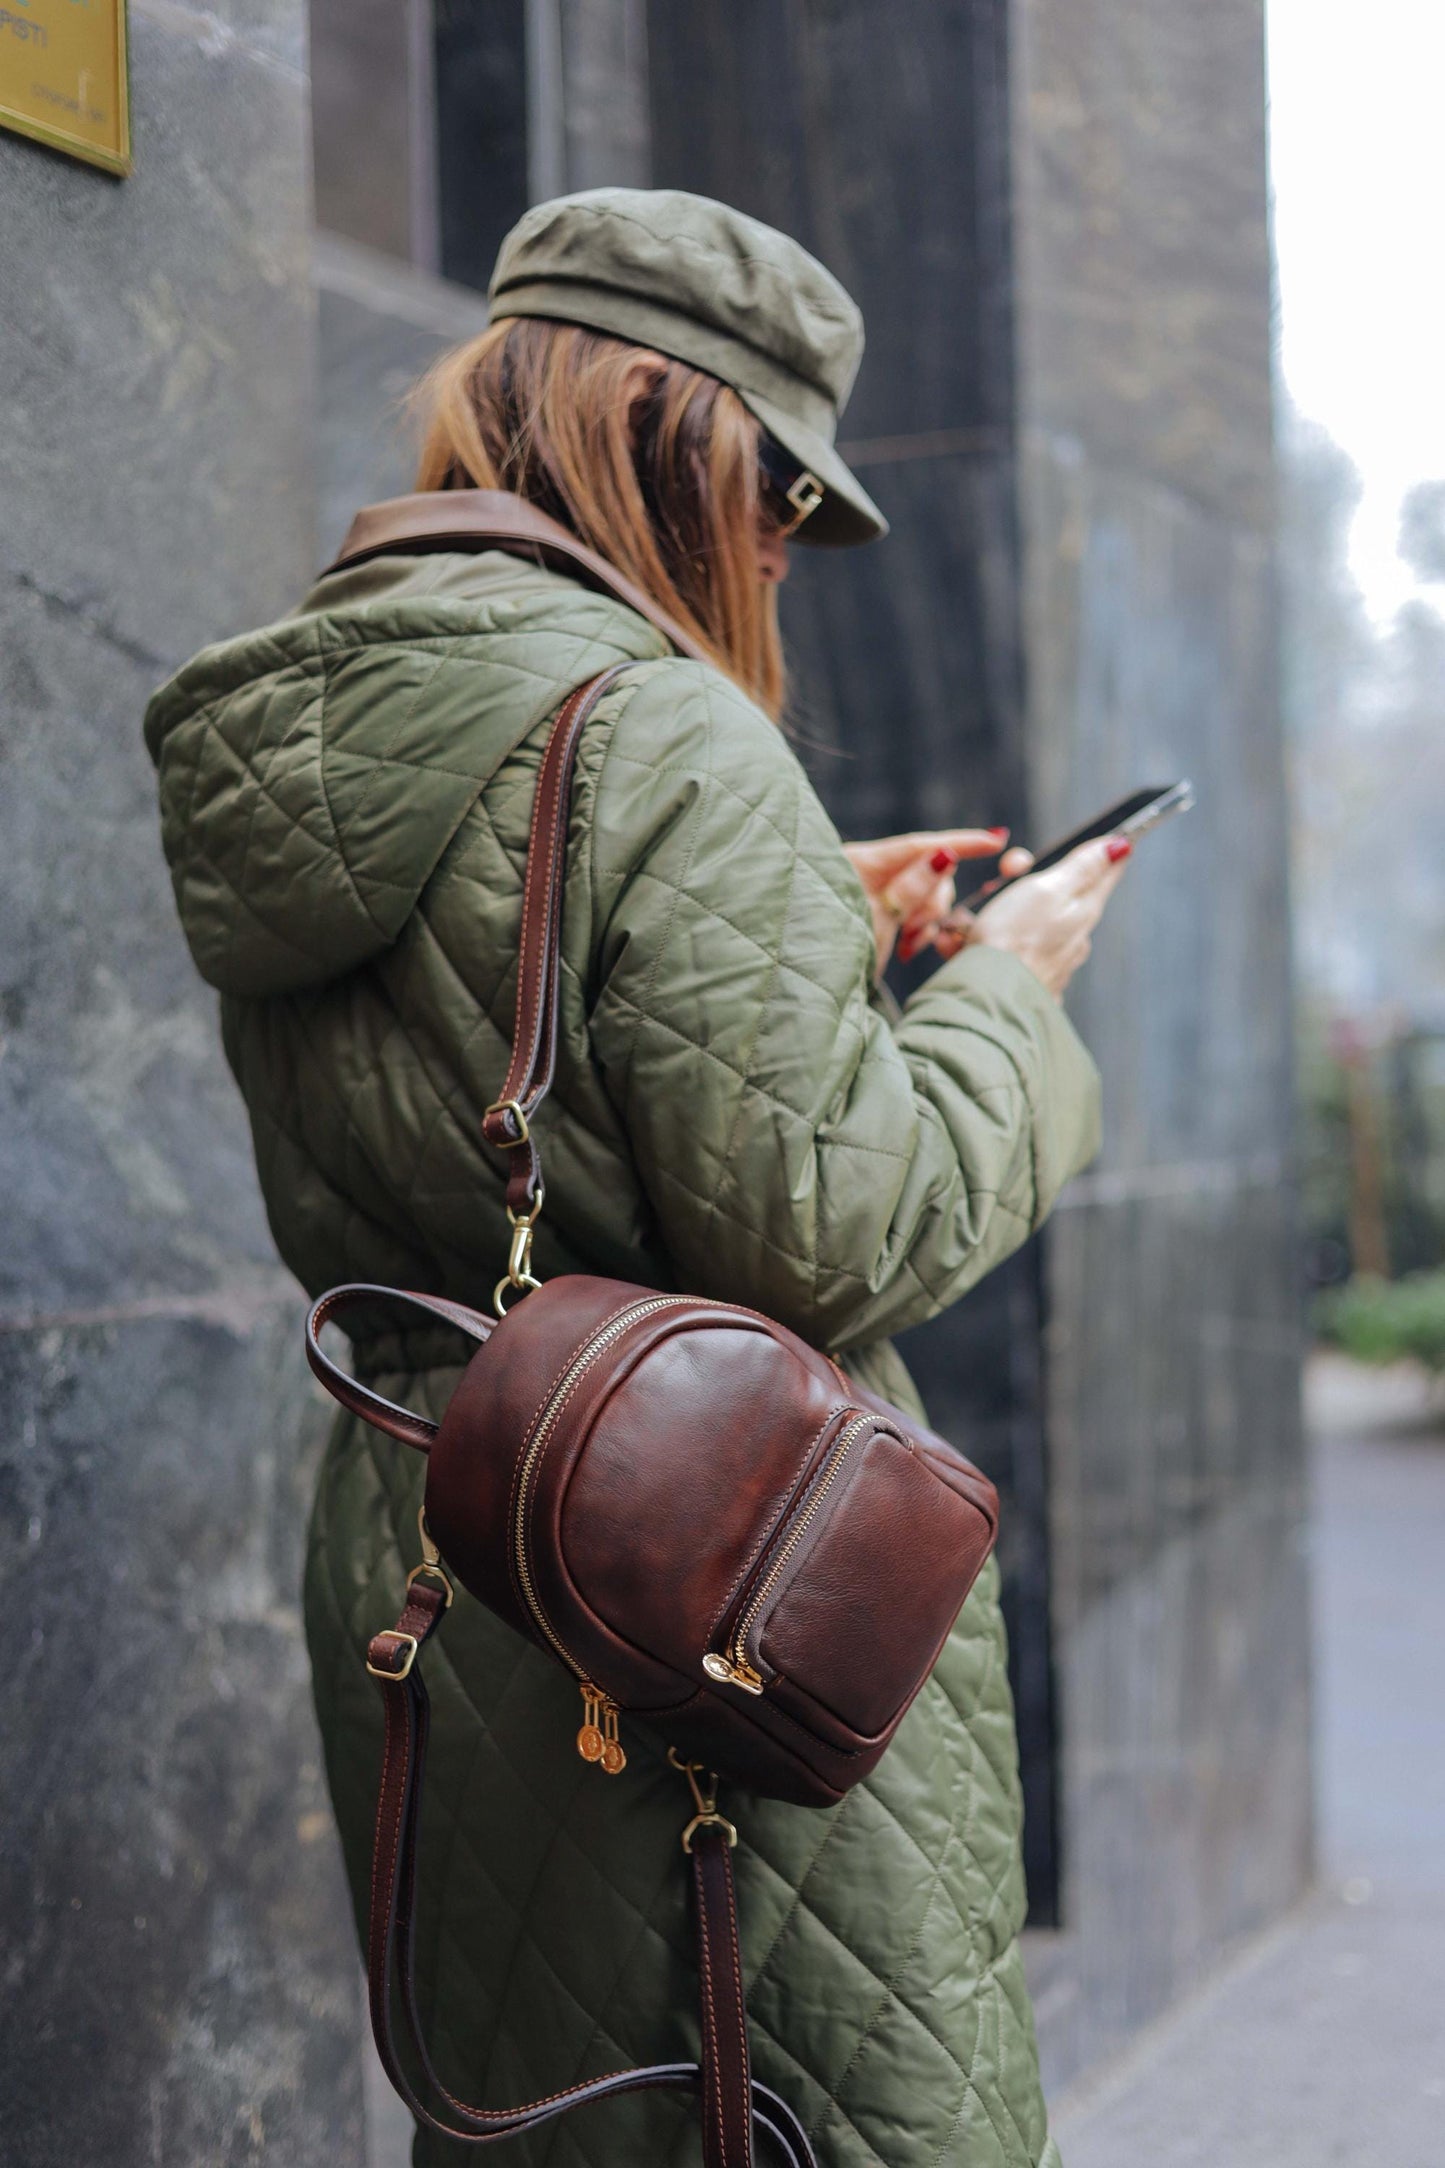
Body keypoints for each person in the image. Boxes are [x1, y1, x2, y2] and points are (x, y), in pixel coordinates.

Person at [145, 188, 1127, 2167]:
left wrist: (806, 931)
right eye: (777, 486)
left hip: (445, 1552)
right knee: (786, 2111)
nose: (784, 543)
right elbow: (844, 1227)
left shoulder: (326, 719)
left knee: (560, 2115)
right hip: (689, 1585)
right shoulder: (667, 732)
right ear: (664, 437)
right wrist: (1008, 1005)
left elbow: (514, 1072)